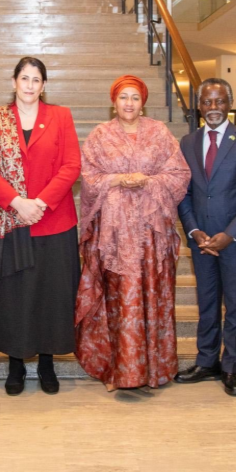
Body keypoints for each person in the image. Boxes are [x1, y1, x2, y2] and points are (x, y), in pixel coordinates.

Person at [0, 57, 81, 396]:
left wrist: (40, 203)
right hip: (7, 222)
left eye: (36, 80)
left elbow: (71, 165)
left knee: (50, 296)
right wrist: (17, 202)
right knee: (13, 297)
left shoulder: (60, 116)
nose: (30, 85)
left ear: (44, 85)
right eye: (24, 78)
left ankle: (47, 363)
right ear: (14, 82)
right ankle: (15, 365)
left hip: (53, 222)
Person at [75, 76, 190, 391]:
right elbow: (89, 177)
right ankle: (118, 369)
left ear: (143, 102)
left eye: (135, 98)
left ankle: (154, 370)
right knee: (118, 301)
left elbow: (179, 173)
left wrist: (148, 181)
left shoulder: (160, 133)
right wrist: (117, 180)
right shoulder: (100, 135)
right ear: (114, 101)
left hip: (151, 235)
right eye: (123, 97)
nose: (129, 103)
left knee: (152, 295)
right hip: (114, 237)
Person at [175, 78, 236, 396]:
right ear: (199, 106)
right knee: (207, 303)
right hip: (202, 242)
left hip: (234, 241)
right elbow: (182, 193)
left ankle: (230, 367)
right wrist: (195, 231)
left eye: (220, 101)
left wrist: (230, 234)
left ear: (229, 103)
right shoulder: (187, 143)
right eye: (208, 102)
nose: (214, 108)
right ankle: (206, 361)